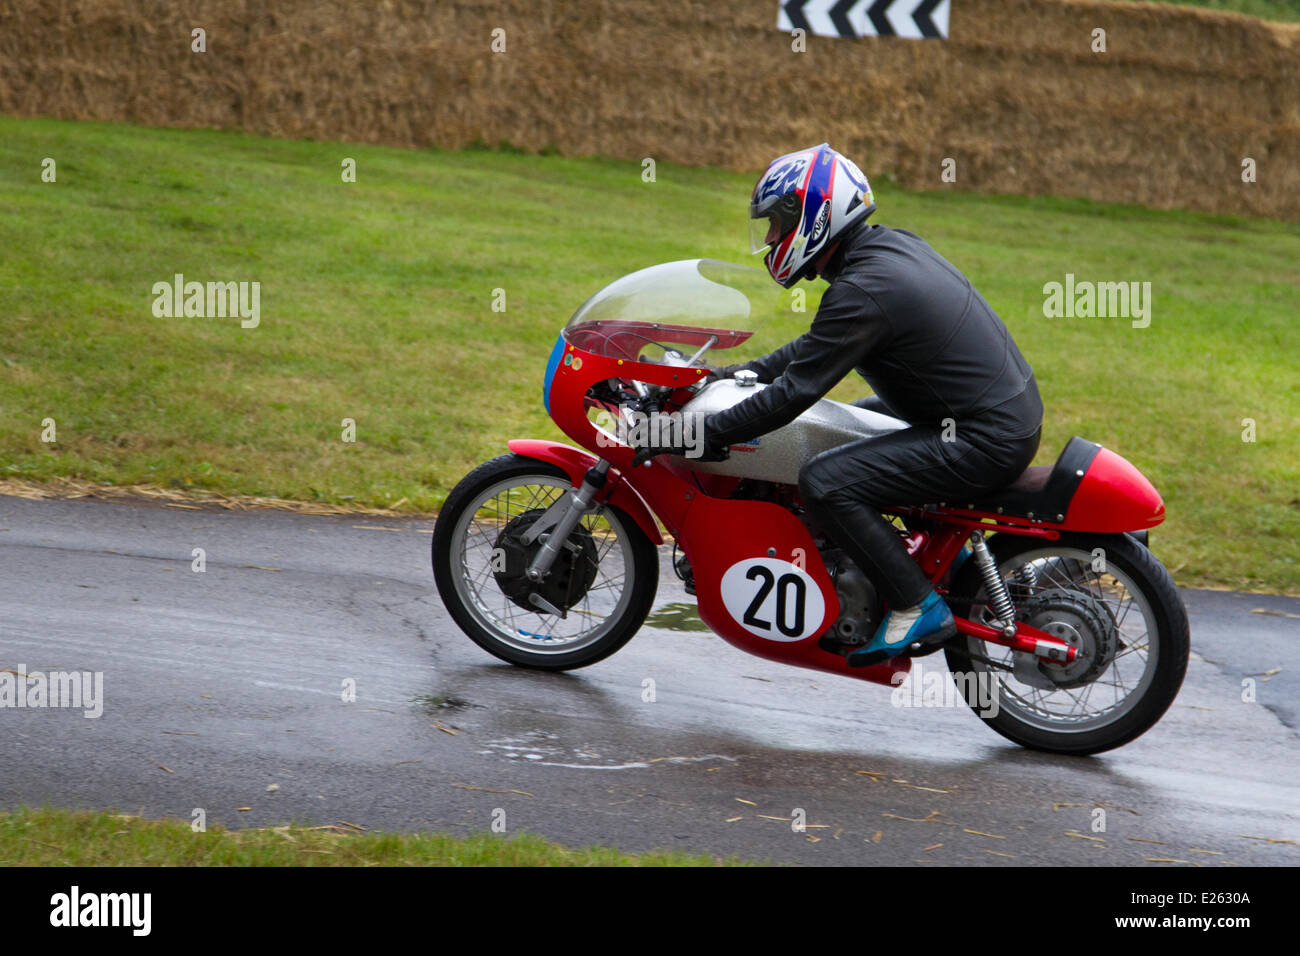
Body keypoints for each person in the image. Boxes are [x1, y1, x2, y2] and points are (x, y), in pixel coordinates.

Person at [703, 144, 1043, 667]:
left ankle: (916, 602)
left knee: (825, 480)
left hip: (983, 438)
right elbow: (812, 352)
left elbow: (796, 393)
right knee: (848, 424)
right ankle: (902, 562)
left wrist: (706, 434)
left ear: (813, 217)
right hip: (986, 418)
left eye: (778, 223)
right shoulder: (884, 253)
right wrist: (741, 373)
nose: (771, 239)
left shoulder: (864, 288)